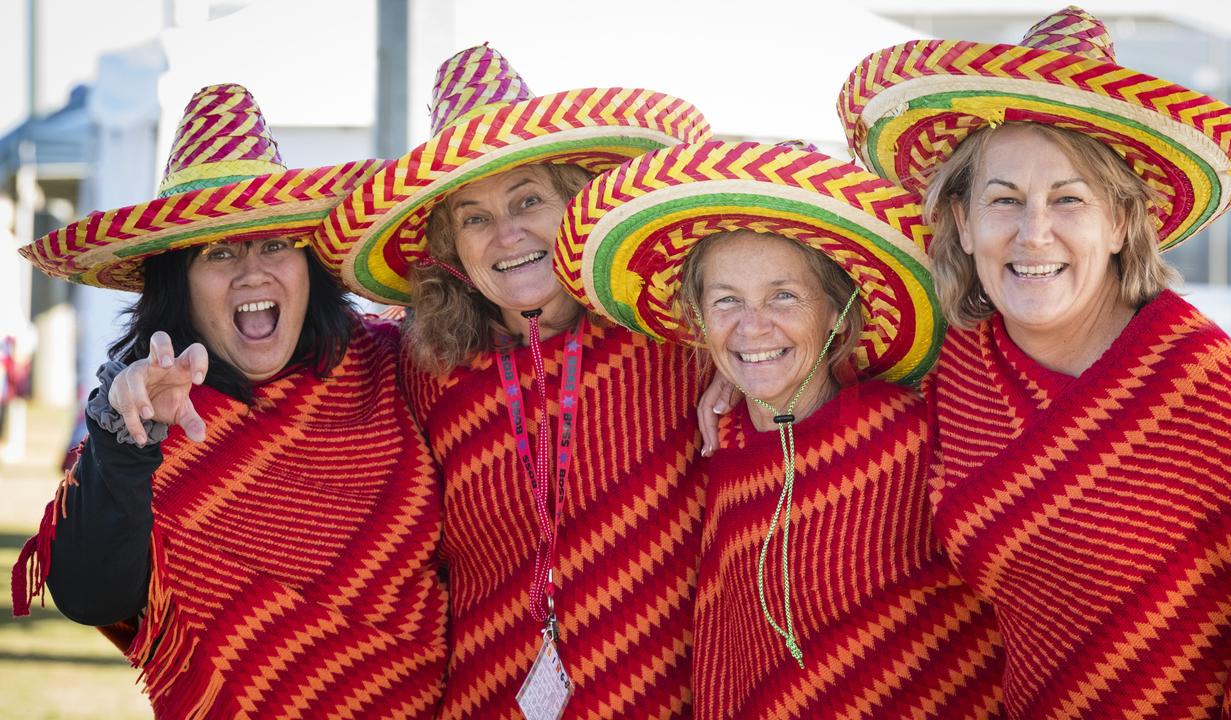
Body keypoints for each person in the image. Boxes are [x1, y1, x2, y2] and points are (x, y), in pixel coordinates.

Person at [838, 7, 1231, 718]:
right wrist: (726, 398)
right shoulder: (960, 365)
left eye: (1068, 199)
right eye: (1004, 199)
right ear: (962, 221)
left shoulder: (1199, 381)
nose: (1032, 232)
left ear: (1121, 222)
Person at [12, 84, 448, 719]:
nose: (252, 273)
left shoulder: (398, 368)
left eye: (275, 244)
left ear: (312, 267)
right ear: (178, 287)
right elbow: (91, 595)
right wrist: (124, 447)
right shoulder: (147, 413)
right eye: (218, 252)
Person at [312, 45, 712, 718]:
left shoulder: (674, 338)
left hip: (663, 695)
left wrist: (736, 378)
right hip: (486, 697)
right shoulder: (418, 369)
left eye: (529, 199)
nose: (507, 233)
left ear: (580, 208)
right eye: (474, 217)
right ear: (451, 249)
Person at [557, 138, 1006, 718]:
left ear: (837, 310)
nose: (752, 327)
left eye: (784, 296)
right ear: (698, 317)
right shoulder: (724, 451)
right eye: (726, 301)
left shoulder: (912, 437)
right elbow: (727, 654)